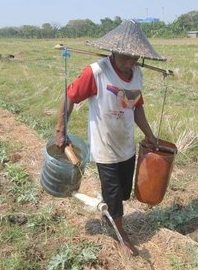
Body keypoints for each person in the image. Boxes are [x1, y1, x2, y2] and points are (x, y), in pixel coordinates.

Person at [54, 20, 167, 256]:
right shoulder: (96, 72)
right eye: (126, 57)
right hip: (104, 145)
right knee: (114, 192)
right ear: (114, 50)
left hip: (126, 143)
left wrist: (150, 135)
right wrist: (60, 130)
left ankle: (110, 215)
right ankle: (120, 233)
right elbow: (70, 96)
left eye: (135, 58)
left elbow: (136, 108)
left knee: (122, 191)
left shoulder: (137, 75)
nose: (130, 63)